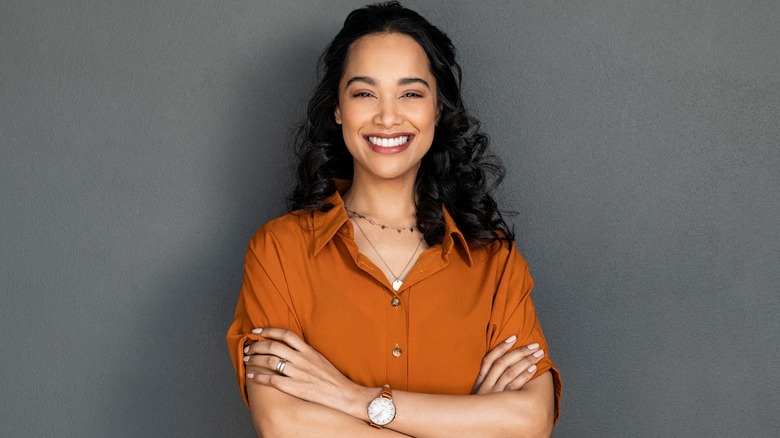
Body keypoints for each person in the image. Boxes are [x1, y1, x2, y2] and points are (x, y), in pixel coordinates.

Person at [227, 2, 561, 436]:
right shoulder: (279, 252)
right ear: (338, 109)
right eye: (365, 93)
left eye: (411, 93)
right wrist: (466, 424)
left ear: (437, 110)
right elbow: (282, 423)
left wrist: (350, 397)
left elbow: (531, 421)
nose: (388, 117)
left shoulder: (495, 263)